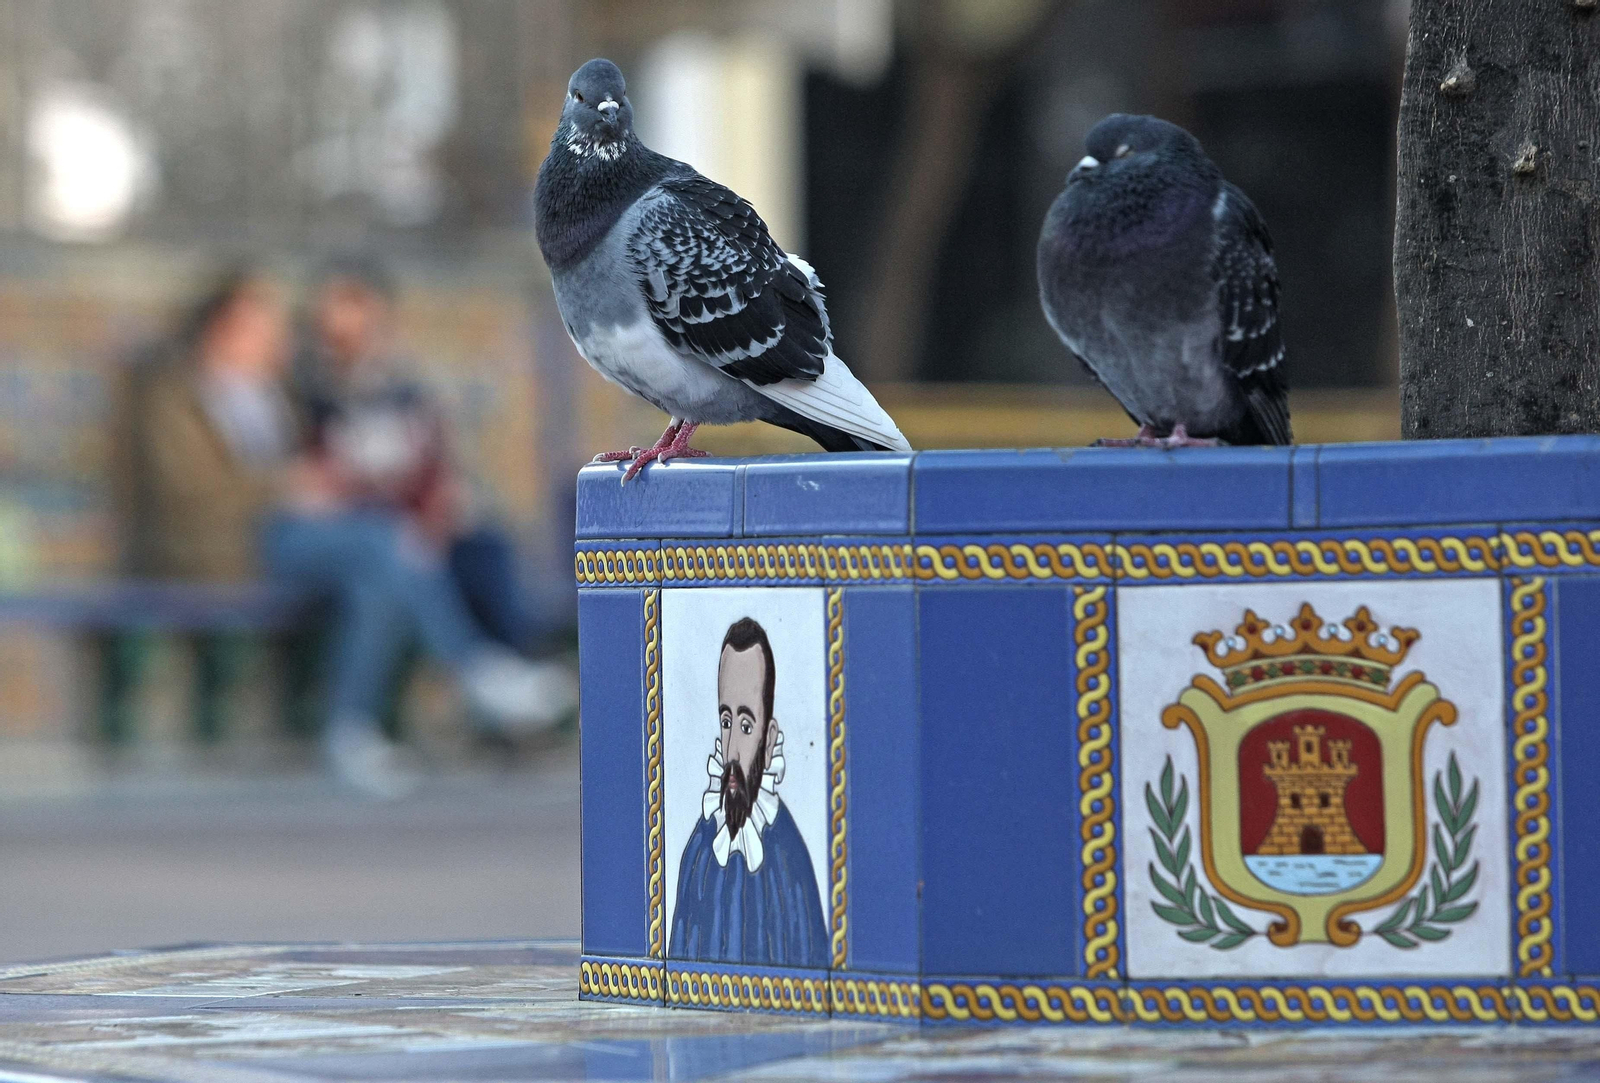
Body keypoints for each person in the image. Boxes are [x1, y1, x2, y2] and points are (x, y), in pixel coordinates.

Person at [267, 256, 575, 797]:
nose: (348, 324)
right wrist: (388, 502)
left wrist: (430, 510)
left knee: (431, 560)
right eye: (338, 309)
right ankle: (481, 675)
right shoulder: (301, 388)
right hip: (317, 538)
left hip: (384, 538)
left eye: (360, 309)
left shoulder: (402, 388)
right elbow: (310, 480)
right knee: (391, 550)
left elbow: (429, 468)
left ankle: (354, 731)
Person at [669, 617, 829, 969]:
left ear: (769, 739)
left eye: (746, 725)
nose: (733, 752)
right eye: (726, 722)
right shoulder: (699, 849)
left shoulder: (789, 859)